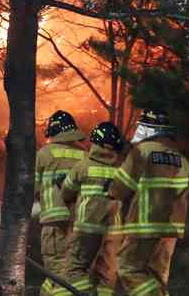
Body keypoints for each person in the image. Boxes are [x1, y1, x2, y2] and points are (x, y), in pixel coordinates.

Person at [109, 110, 189, 296]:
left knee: (128, 268)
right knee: (157, 276)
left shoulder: (142, 152)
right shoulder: (182, 160)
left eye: (141, 126)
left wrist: (111, 187)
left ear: (149, 129)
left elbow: (119, 189)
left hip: (144, 222)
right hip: (171, 227)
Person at [60, 121, 128, 296]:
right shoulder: (121, 171)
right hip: (114, 230)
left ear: (95, 143)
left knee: (75, 269)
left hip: (87, 227)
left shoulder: (83, 166)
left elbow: (66, 192)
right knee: (107, 273)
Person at [36, 110, 88, 294]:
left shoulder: (44, 154)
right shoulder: (85, 155)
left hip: (54, 222)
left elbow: (34, 188)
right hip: (79, 221)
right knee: (75, 269)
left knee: (56, 269)